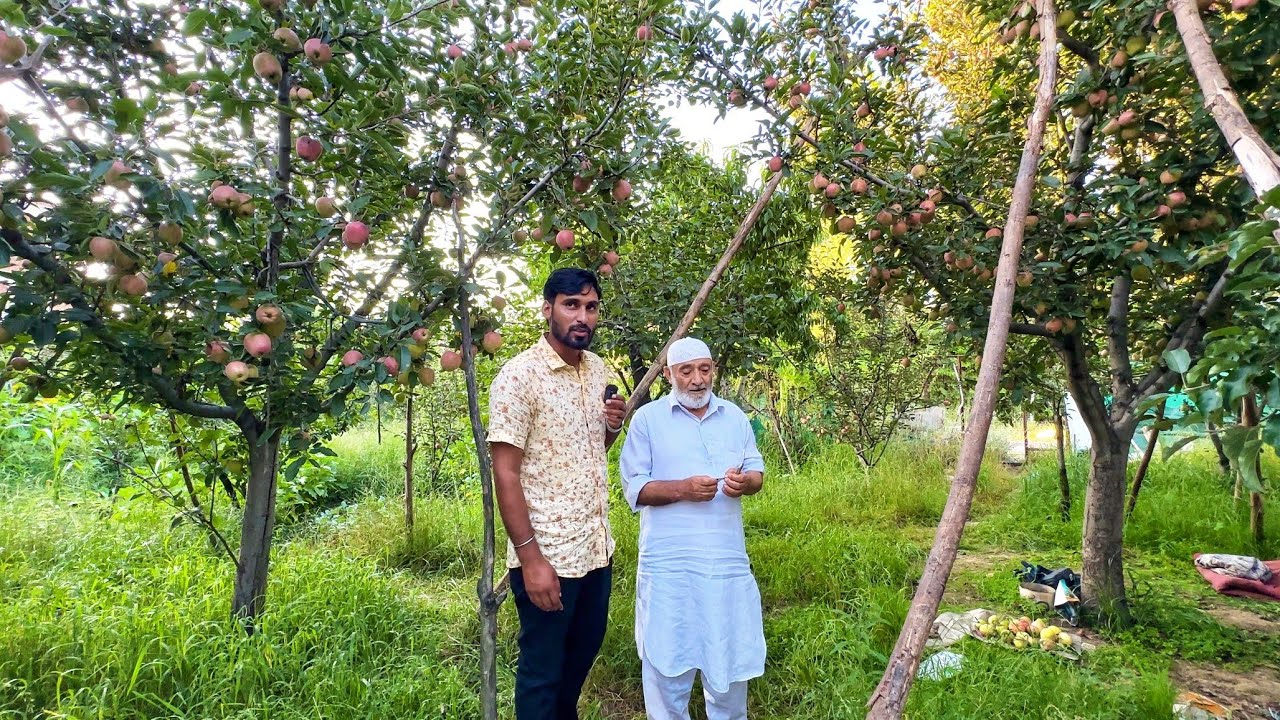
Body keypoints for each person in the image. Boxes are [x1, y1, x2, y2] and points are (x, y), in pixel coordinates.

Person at [487, 267, 627, 720]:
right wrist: (531, 560)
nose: (582, 316)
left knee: (577, 665)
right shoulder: (519, 377)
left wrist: (611, 427)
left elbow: (592, 452)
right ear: (548, 309)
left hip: (595, 550)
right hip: (549, 557)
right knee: (542, 677)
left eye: (590, 307)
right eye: (571, 305)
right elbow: (505, 473)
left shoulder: (597, 368)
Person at [619, 337, 766, 720]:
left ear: (713, 369)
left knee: (728, 659)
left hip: (725, 564)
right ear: (669, 375)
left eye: (705, 369)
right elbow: (635, 487)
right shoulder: (647, 420)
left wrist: (745, 483)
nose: (697, 380)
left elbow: (756, 471)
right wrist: (682, 489)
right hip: (669, 567)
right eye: (686, 371)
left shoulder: (733, 416)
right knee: (667, 656)